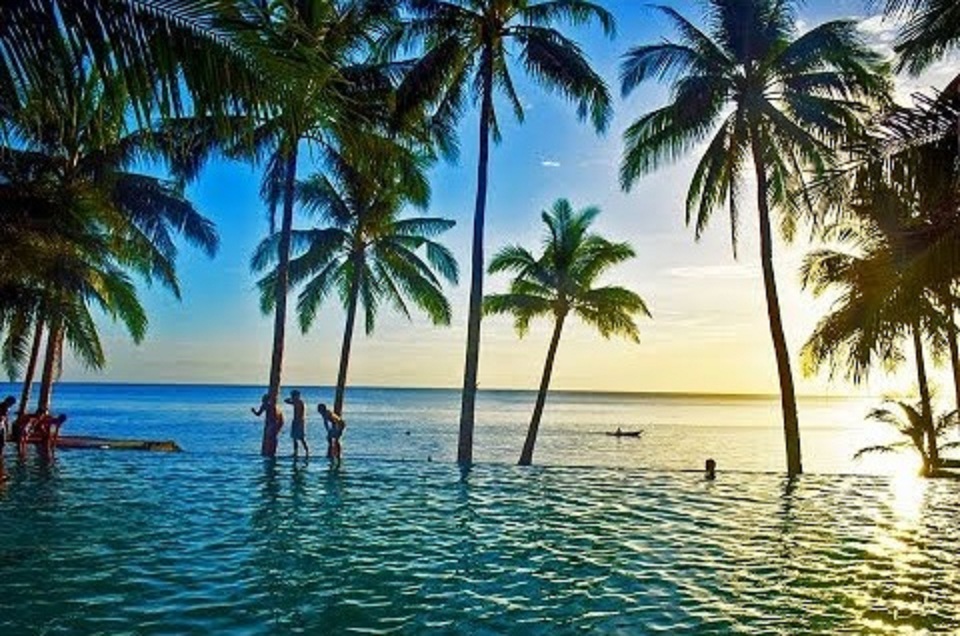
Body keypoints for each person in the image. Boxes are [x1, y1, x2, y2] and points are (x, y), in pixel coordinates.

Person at [284, 390, 309, 459]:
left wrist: (292, 399)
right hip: (295, 421)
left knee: (301, 438)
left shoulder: (300, 402)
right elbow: (285, 400)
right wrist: (291, 398)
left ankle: (307, 452)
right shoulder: (295, 402)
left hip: (299, 422)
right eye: (292, 396)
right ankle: (295, 452)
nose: (292, 397)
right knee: (294, 438)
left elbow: (288, 401)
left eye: (293, 396)